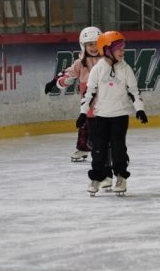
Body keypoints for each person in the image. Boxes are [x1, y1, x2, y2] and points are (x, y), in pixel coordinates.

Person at [81, 31, 148, 196]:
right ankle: (96, 178)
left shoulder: (126, 69)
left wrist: (139, 109)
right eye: (118, 48)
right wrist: (83, 113)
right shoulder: (98, 69)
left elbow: (134, 91)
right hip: (101, 116)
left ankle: (120, 177)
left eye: (123, 48)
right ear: (106, 49)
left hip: (120, 116)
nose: (122, 52)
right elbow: (89, 93)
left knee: (119, 149)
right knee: (98, 150)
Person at [44, 26, 103, 164]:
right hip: (88, 105)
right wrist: (59, 82)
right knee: (85, 127)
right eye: (90, 44)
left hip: (105, 103)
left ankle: (108, 151)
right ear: (83, 46)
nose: (94, 47)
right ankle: (83, 149)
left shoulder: (106, 61)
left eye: (96, 44)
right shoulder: (80, 63)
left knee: (103, 128)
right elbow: (68, 73)